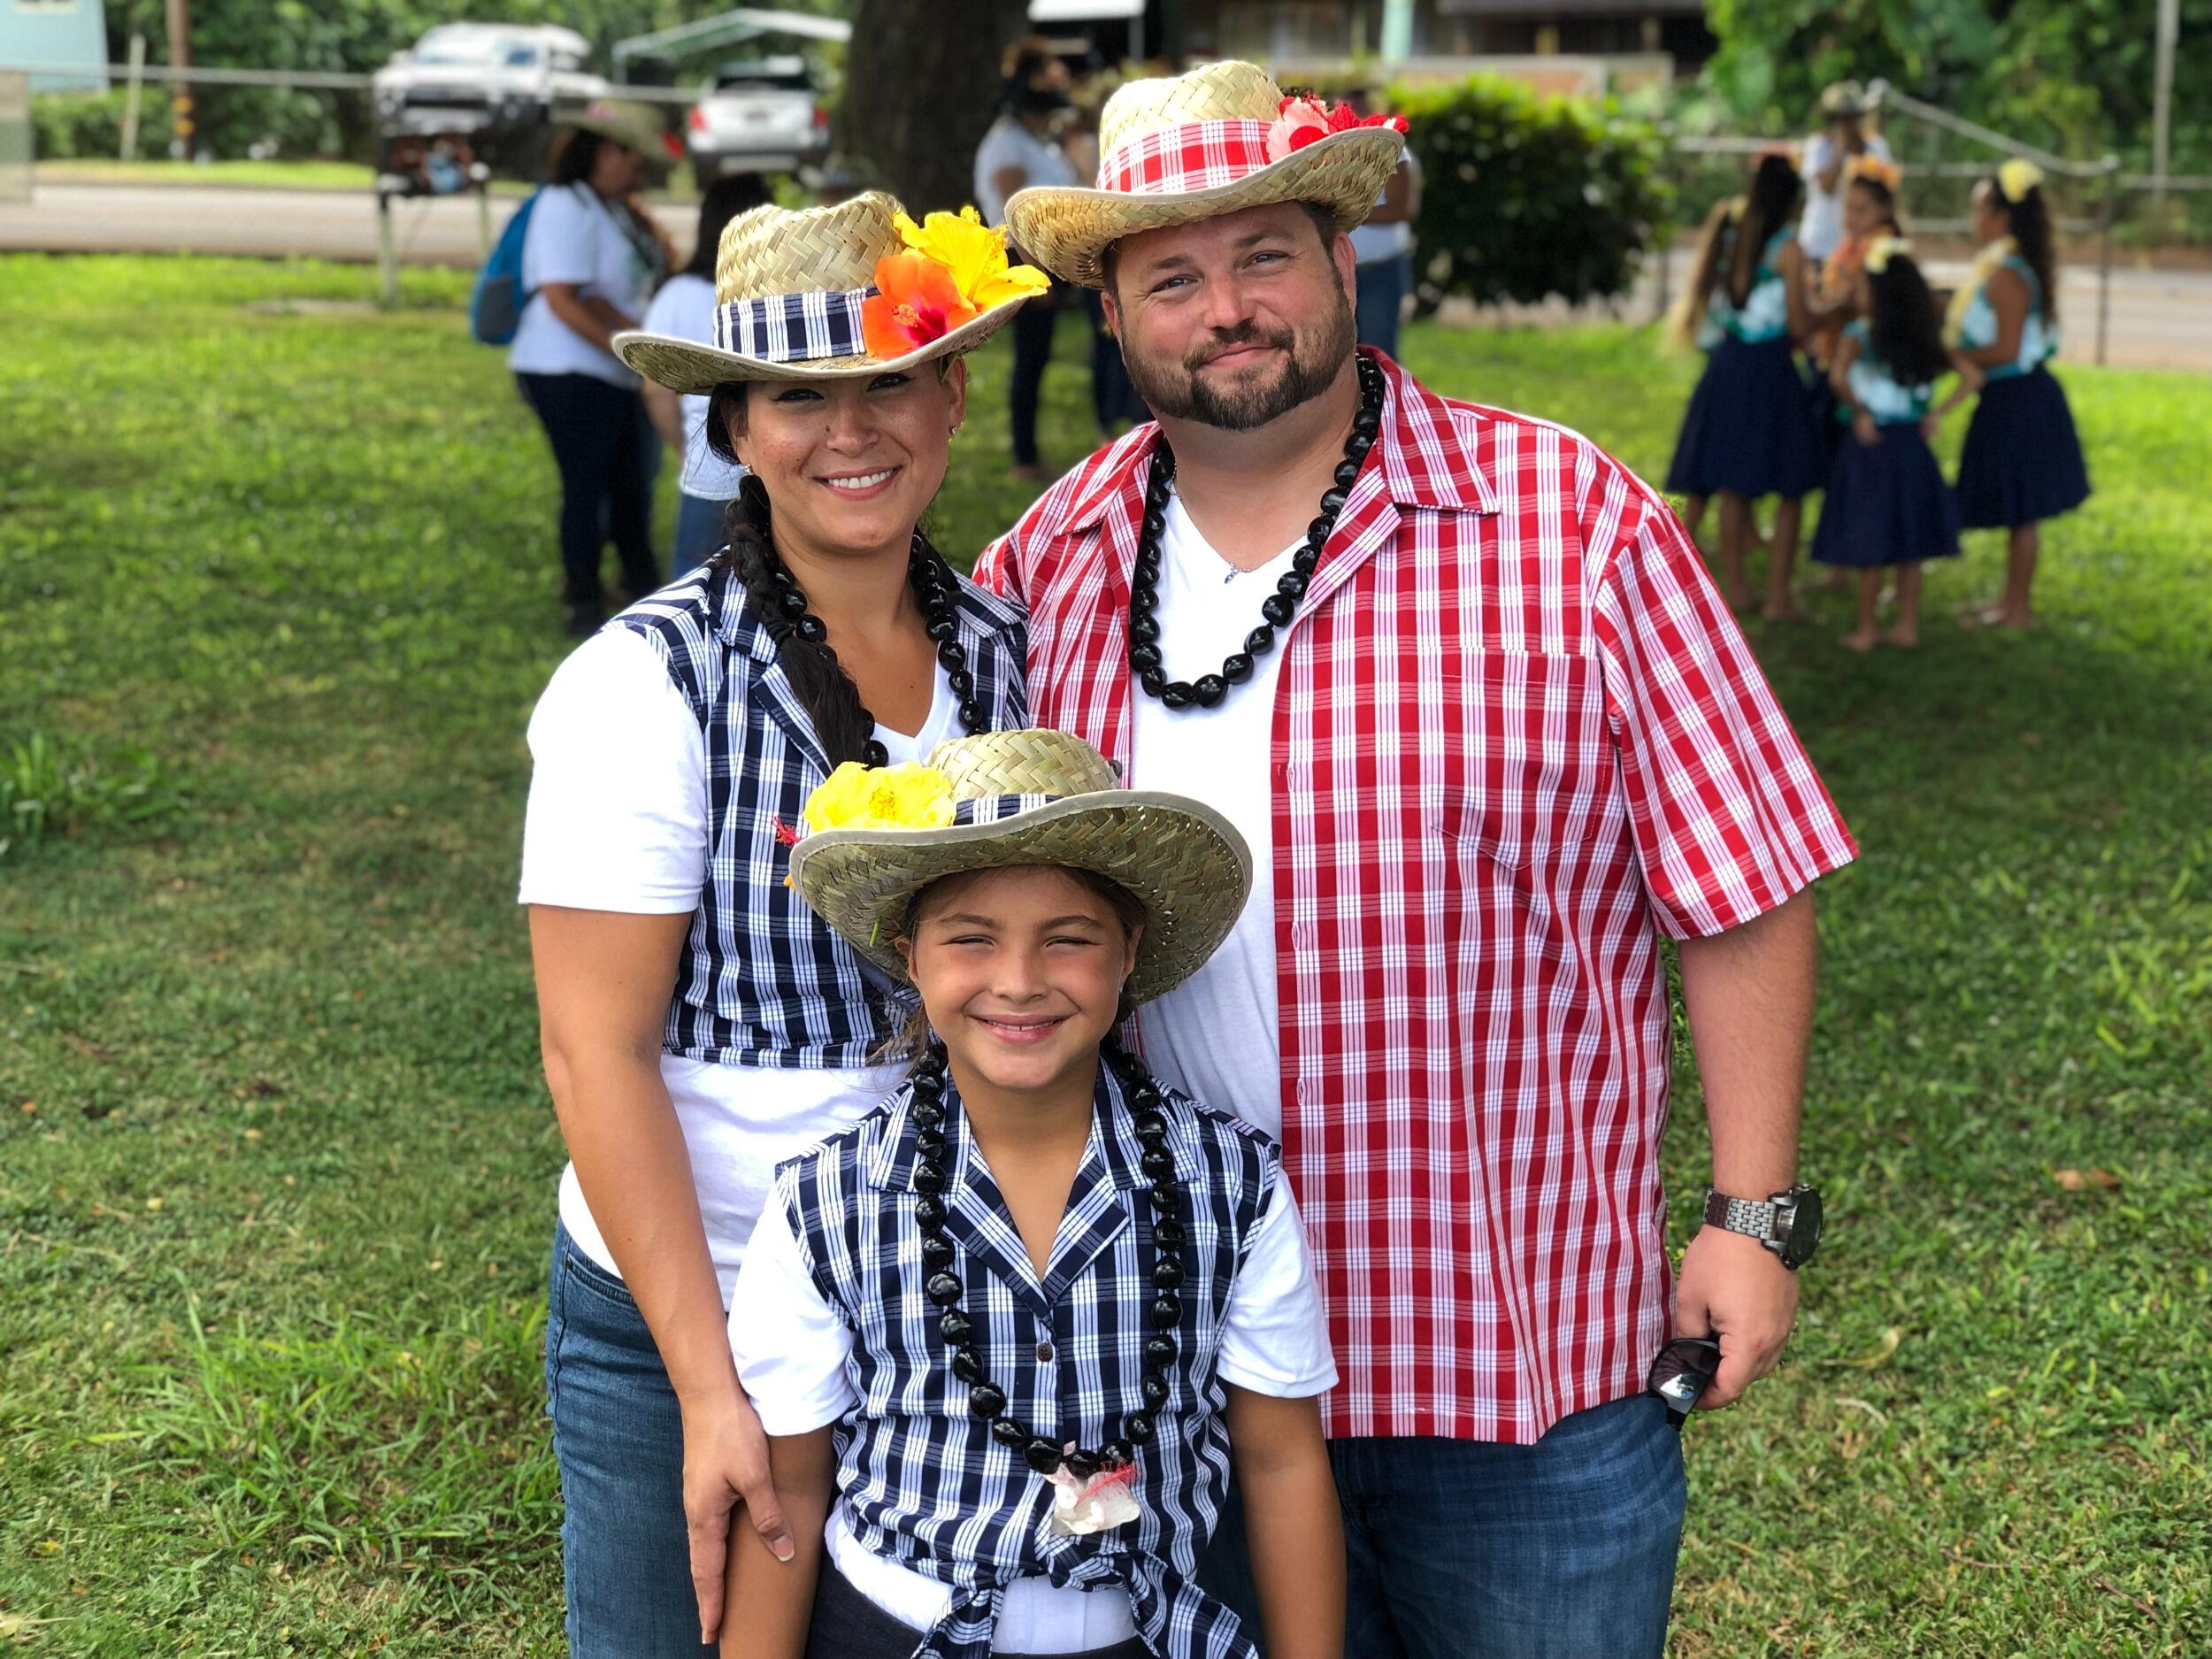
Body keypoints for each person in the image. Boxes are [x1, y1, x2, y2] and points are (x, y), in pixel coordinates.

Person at [989, 59, 1855, 1659]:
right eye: (1171, 277)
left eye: (1264, 255)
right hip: (1188, 1373)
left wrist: (1752, 1214)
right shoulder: (1051, 566)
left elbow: (1745, 883)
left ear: (1344, 256)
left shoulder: (1572, 524)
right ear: (1111, 316)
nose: (1226, 308)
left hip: (1520, 1366)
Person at [522, 190, 1042, 1657]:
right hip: (697, 1306)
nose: (850, 430)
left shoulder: (1006, 656)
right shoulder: (649, 682)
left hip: (937, 1305)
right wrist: (708, 1388)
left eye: (889, 382)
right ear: (736, 430)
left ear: (952, 395)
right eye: (799, 397)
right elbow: (594, 1049)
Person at [723, 728, 1344, 1659]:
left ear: (1128, 950)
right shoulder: (826, 1204)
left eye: (1068, 940)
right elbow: (793, 1487)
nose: (1018, 982)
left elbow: (1282, 1459)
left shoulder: (1233, 1188)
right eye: (971, 939)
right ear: (911, 956)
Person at [510, 100, 675, 636]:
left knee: (629, 484)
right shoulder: (565, 203)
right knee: (588, 486)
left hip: (609, 370)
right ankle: (583, 601)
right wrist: (629, 350)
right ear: (605, 152)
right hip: (565, 371)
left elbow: (600, 295)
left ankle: (638, 587)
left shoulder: (609, 206)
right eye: (635, 159)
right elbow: (561, 297)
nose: (641, 172)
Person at [1663, 151, 1824, 617]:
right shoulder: (1788, 249)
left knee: (1731, 480)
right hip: (1771, 367)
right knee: (1791, 484)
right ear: (1793, 202)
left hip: (1729, 364)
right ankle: (1778, 596)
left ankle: (1735, 587)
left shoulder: (1734, 237)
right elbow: (1799, 324)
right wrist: (1833, 309)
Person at [1948, 158, 2092, 630]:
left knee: (2023, 509)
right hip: (2010, 397)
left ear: (2002, 217)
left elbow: (2006, 349)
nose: (1974, 219)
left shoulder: (2006, 275)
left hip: (2019, 399)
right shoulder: (2004, 267)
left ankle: (2017, 610)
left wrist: (1952, 352)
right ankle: (2008, 604)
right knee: (2018, 511)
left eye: (1980, 209)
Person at [1810, 238, 1974, 650]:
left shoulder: (1859, 334)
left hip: (1872, 447)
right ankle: (1906, 626)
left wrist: (1859, 412)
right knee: (1909, 541)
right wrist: (1937, 412)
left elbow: (1837, 379)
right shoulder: (1925, 336)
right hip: (1912, 447)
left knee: (1872, 540)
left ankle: (1866, 629)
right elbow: (1973, 377)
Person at [641, 173, 775, 577]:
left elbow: (655, 391)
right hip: (777, 471)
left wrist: (685, 446)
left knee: (696, 586)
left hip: (706, 469)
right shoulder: (777, 297)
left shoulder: (676, 295)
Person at [975, 38, 1081, 482]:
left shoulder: (1027, 141)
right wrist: (1034, 276)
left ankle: (1028, 452)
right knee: (1029, 360)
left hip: (1037, 260)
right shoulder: (1007, 145)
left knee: (1036, 359)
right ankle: (1025, 456)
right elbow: (1009, 211)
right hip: (1021, 260)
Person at [1345, 89, 1423, 357]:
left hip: (1379, 268)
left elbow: (1403, 209)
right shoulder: (1334, 150)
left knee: (1379, 353)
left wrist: (1346, 212)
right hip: (1341, 270)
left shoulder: (1393, 150)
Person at [1800, 81, 1893, 272]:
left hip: (1865, 245)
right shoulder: (1818, 147)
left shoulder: (1877, 147)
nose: (1845, 125)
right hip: (1820, 245)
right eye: (1838, 119)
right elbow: (1827, 188)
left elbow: (1885, 192)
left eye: (1850, 118)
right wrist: (1839, 151)